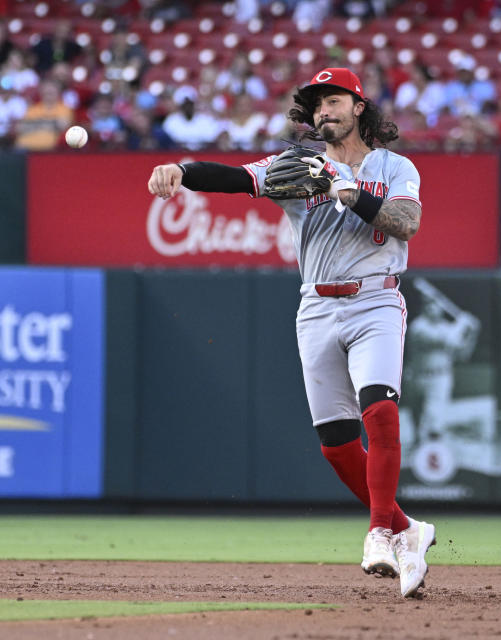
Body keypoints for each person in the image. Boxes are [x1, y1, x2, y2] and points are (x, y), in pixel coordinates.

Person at [146, 67, 435, 599]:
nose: (323, 110)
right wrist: (180, 169)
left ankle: (379, 533)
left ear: (358, 106)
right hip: (316, 305)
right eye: (316, 104)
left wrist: (348, 193)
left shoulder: (395, 167)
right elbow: (234, 177)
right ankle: (406, 528)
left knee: (380, 409)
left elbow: (406, 222)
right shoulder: (298, 166)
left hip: (374, 296)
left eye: (333, 100)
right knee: (337, 443)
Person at [407, 278, 481, 443]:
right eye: (429, 305)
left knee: (435, 420)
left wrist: (472, 334)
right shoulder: (418, 327)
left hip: (440, 378)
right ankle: (417, 444)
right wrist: (463, 323)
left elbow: (463, 354)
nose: (433, 308)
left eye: (436, 304)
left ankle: (433, 448)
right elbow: (449, 340)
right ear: (424, 308)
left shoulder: (446, 327)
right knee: (416, 417)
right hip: (418, 377)